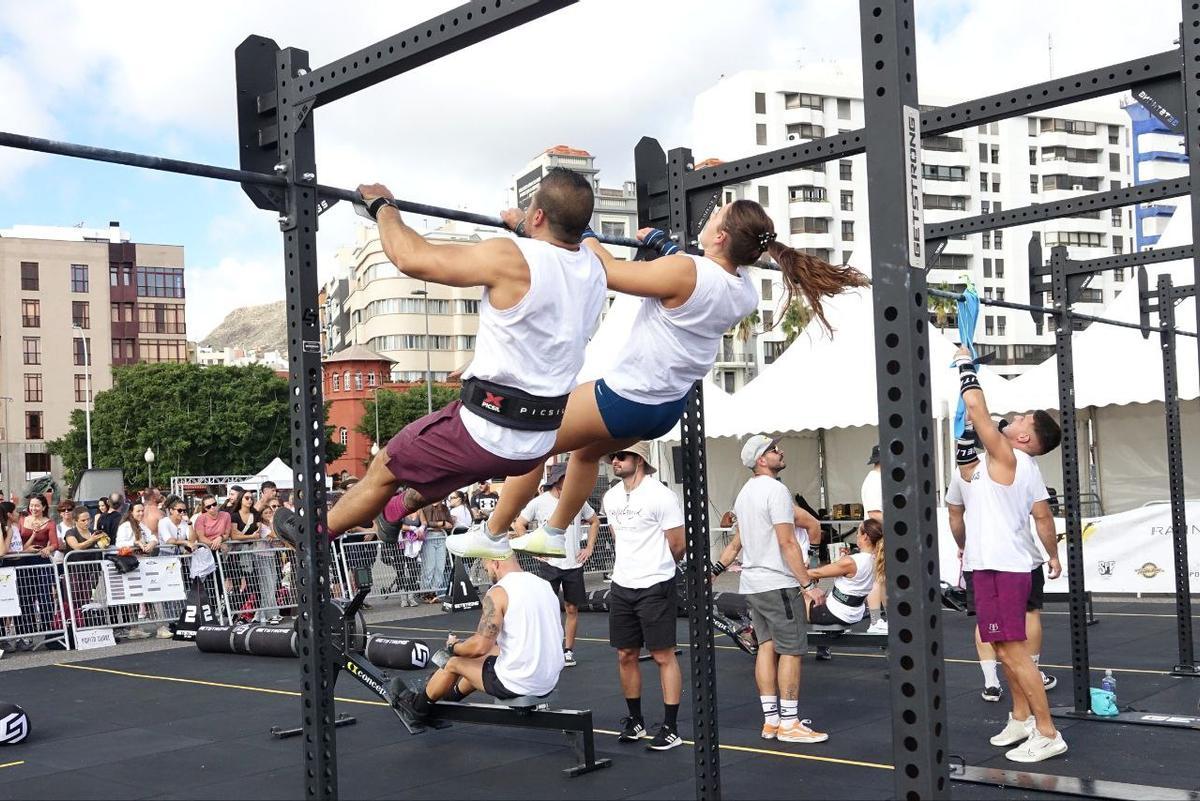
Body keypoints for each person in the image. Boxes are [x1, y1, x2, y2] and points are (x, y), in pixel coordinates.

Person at [476, 198, 868, 560]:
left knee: (533, 438)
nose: (709, 215)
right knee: (585, 454)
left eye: (715, 215)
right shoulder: (743, 289)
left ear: (720, 236)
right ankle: (556, 531)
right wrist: (664, 246)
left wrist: (577, 232)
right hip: (663, 410)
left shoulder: (687, 271)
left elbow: (607, 271)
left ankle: (492, 534)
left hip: (627, 396)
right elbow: (695, 275)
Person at [277, 169, 607, 556]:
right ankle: (394, 514)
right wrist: (525, 227)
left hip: (486, 430)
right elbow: (558, 270)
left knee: (386, 465)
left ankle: (313, 533)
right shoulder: (596, 267)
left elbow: (411, 258)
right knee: (440, 468)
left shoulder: (512, 257)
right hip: (535, 442)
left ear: (537, 217)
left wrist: (382, 206)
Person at [948, 345, 1066, 763]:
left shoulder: (1009, 455)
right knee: (1001, 649)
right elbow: (1041, 516)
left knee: (1013, 651)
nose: (1012, 418)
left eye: (1019, 420)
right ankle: (1021, 718)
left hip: (1006, 567)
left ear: (1024, 437)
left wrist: (966, 363)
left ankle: (1047, 731)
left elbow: (978, 410)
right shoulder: (1003, 462)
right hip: (988, 565)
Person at [727, 434, 827, 744]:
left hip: (754, 583)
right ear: (761, 460)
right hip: (778, 582)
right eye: (773, 450)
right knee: (792, 651)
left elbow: (739, 542)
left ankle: (772, 721)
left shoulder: (744, 494)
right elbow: (786, 542)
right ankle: (790, 722)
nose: (779, 452)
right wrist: (808, 584)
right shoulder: (776, 490)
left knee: (766, 647)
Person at [395, 553, 565, 721]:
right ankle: (452, 696)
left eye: (487, 568)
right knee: (488, 657)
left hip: (519, 683)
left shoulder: (499, 591)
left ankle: (417, 707)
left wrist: (454, 648)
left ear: (495, 563)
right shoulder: (543, 585)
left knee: (454, 663)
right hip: (548, 680)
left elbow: (478, 647)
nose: (488, 574)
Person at [600, 441, 685, 751]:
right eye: (613, 456)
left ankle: (671, 727)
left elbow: (677, 544)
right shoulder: (610, 497)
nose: (614, 460)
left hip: (656, 584)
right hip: (622, 585)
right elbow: (617, 537)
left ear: (638, 459)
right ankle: (635, 721)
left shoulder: (661, 495)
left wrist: (658, 568)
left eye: (621, 456)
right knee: (625, 655)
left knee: (664, 655)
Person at [513, 460, 599, 667]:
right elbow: (519, 524)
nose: (565, 487)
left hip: (573, 565)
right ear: (556, 482)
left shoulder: (578, 498)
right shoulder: (540, 502)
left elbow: (594, 521)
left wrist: (589, 548)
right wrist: (533, 549)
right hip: (550, 563)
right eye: (562, 483)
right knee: (547, 608)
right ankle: (547, 650)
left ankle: (568, 651)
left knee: (572, 608)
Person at [803, 519, 884, 626]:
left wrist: (798, 570)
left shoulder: (852, 561)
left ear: (865, 537)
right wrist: (843, 560)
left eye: (858, 533)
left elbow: (817, 573)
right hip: (854, 612)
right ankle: (876, 621)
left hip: (836, 614)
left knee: (797, 599)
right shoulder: (877, 559)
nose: (856, 536)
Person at [860, 445, 887, 635]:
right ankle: (875, 621)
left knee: (883, 579)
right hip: (877, 534)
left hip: (879, 534)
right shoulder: (874, 481)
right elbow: (875, 513)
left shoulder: (878, 479)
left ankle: (884, 619)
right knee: (877, 578)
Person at [418, 502, 453, 604]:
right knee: (429, 567)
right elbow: (426, 523)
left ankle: (434, 592)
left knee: (440, 568)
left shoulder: (444, 508)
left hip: (442, 537)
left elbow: (450, 523)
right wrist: (441, 523)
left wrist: (440, 524)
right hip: (430, 536)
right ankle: (425, 593)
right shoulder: (425, 507)